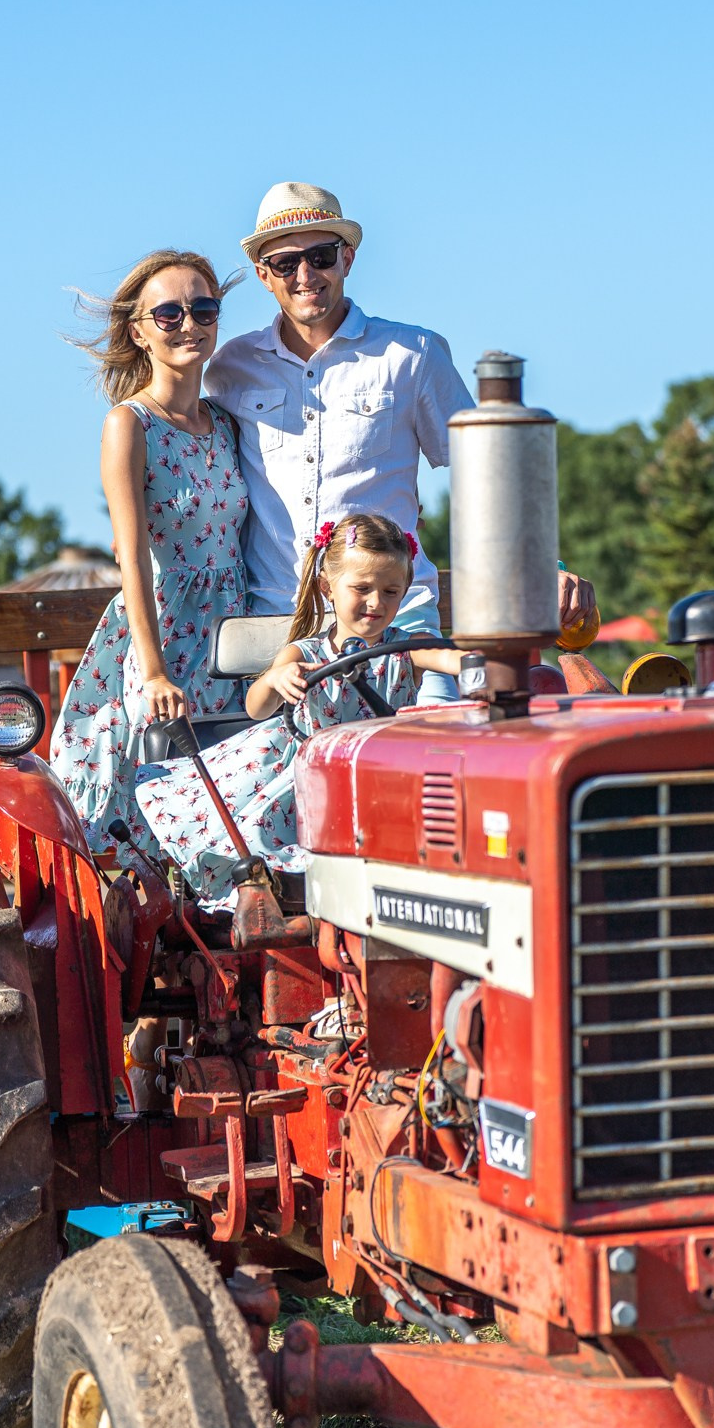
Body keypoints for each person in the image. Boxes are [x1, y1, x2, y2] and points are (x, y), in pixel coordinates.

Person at [203, 182, 595, 695]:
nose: (305, 275)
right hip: (282, 629)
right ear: (264, 275)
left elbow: (489, 473)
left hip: (401, 623)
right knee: (294, 769)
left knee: (432, 753)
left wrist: (546, 568)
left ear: (347, 258)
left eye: (320, 255)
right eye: (284, 263)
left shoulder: (413, 354)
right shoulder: (232, 366)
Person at [136, 513, 461, 906]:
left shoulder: (411, 647)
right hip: (315, 774)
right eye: (362, 588)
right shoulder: (304, 653)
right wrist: (275, 679)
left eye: (391, 592)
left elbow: (456, 660)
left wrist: (485, 661)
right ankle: (270, 899)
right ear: (327, 587)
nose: (377, 603)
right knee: (264, 840)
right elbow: (257, 708)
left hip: (384, 775)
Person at [51, 249, 250, 860]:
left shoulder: (225, 423)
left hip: (231, 628)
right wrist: (154, 668)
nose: (189, 323)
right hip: (162, 631)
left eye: (203, 308)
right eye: (168, 313)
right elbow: (131, 557)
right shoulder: (129, 424)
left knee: (225, 787)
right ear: (139, 332)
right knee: (155, 787)